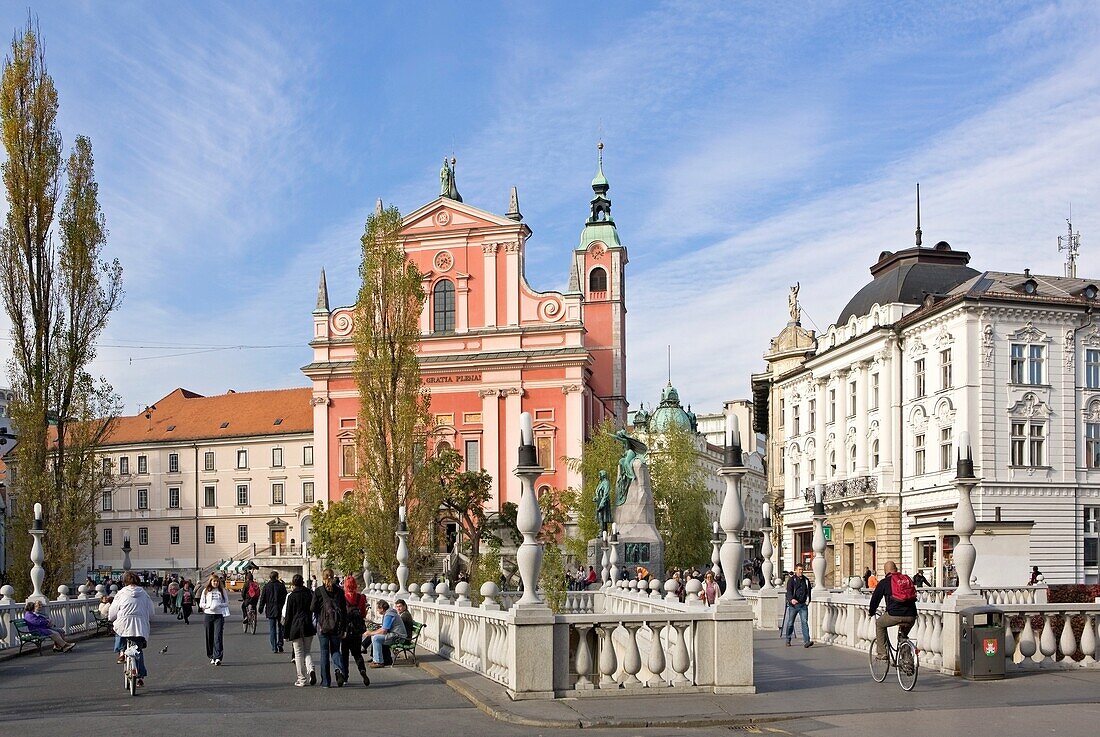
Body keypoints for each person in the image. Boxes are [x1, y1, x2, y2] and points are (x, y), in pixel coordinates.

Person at [109, 571, 154, 688]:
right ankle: (140, 676)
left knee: (119, 630)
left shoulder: (121, 593)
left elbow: (113, 612)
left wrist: (111, 618)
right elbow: (151, 613)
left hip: (124, 622)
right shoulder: (144, 594)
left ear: (125, 582)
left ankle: (121, 652)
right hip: (140, 626)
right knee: (138, 650)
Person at [868, 561, 918, 661]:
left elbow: (875, 599)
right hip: (912, 615)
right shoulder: (906, 579)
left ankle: (882, 653)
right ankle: (907, 662)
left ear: (885, 571)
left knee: (879, 624)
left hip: (894, 615)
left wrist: (871, 612)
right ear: (896, 569)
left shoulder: (884, 582)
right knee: (903, 636)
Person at [311, 568, 347, 687]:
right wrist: (344, 628)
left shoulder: (319, 591)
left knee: (324, 652)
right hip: (336, 626)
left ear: (323, 577)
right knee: (336, 650)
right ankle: (339, 670)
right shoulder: (339, 591)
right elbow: (344, 611)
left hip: (323, 626)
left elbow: (312, 608)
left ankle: (326, 681)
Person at [283, 574, 317, 687]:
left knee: (298, 654)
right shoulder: (309, 594)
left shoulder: (292, 596)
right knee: (307, 651)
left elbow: (288, 616)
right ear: (303, 582)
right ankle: (311, 669)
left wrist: (286, 633)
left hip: (296, 626)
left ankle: (301, 679)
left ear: (293, 583)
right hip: (308, 625)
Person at [341, 577, 370, 686]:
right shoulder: (361, 597)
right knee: (357, 653)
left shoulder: (343, 597)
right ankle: (362, 670)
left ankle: (345, 676)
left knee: (344, 654)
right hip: (357, 630)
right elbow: (362, 614)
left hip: (346, 629)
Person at [199, 574, 230, 665]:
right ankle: (211, 655)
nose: (215, 583)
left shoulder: (222, 591)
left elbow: (227, 602)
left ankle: (218, 657)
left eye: (217, 581)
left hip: (219, 615)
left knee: (218, 636)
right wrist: (207, 606)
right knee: (209, 636)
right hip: (208, 615)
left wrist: (220, 605)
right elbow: (201, 603)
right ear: (210, 582)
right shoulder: (206, 591)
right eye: (214, 581)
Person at [367, 599, 407, 668]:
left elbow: (384, 630)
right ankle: (376, 659)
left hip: (398, 637)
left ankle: (379, 661)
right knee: (374, 636)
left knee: (376, 638)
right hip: (395, 635)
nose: (377, 610)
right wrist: (372, 633)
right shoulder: (389, 613)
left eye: (377, 608)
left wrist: (370, 633)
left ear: (382, 608)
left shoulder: (389, 615)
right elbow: (384, 628)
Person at [783, 564, 813, 648]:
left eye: (802, 569)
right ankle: (788, 639)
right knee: (790, 623)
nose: (801, 571)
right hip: (794, 605)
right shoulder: (792, 580)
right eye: (799, 570)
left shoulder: (806, 580)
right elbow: (788, 591)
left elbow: (809, 591)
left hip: (803, 605)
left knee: (804, 622)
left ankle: (807, 641)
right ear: (796, 570)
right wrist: (791, 599)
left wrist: (808, 600)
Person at [259, 571, 288, 653]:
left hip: (270, 609)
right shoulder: (281, 586)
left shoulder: (266, 586)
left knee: (272, 629)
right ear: (277, 577)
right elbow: (286, 598)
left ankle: (274, 646)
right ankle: (280, 644)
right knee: (281, 628)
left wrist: (260, 608)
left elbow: (263, 598)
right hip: (280, 609)